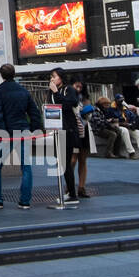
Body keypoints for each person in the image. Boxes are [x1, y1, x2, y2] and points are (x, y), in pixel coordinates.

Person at [0, 64, 42, 210]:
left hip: (7, 133)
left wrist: (2, 132)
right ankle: (25, 201)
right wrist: (35, 129)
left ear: (1, 75)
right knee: (26, 167)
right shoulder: (23, 91)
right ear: (14, 74)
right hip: (23, 131)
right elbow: (34, 112)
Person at [49, 69, 81, 201]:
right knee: (62, 162)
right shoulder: (51, 91)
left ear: (61, 78)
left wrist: (56, 92)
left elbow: (68, 104)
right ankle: (70, 191)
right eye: (51, 77)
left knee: (66, 162)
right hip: (56, 128)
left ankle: (72, 193)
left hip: (68, 129)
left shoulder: (68, 89)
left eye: (54, 77)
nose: (52, 79)